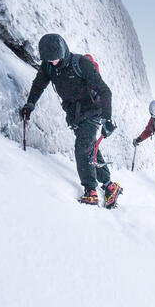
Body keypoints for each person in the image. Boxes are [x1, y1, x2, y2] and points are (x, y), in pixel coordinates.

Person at [20, 33, 122, 208]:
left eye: (56, 59)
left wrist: (107, 119)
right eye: (50, 60)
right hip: (74, 114)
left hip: (92, 111)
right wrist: (30, 103)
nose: (53, 63)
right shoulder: (49, 66)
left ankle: (90, 190)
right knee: (90, 148)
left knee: (82, 149)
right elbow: (39, 85)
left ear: (63, 52)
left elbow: (105, 91)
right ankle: (109, 186)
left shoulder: (81, 64)